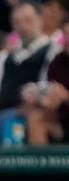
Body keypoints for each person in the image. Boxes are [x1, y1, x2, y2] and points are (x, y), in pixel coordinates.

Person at [0, 2, 54, 143]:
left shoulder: (52, 52)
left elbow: (48, 89)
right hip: (0, 114)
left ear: (40, 19)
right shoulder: (5, 56)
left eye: (28, 20)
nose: (23, 27)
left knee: (15, 124)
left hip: (30, 113)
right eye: (18, 22)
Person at [24, 16, 69, 145]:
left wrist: (66, 97)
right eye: (65, 34)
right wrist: (42, 100)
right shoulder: (58, 61)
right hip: (63, 121)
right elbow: (50, 93)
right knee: (35, 117)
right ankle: (41, 164)